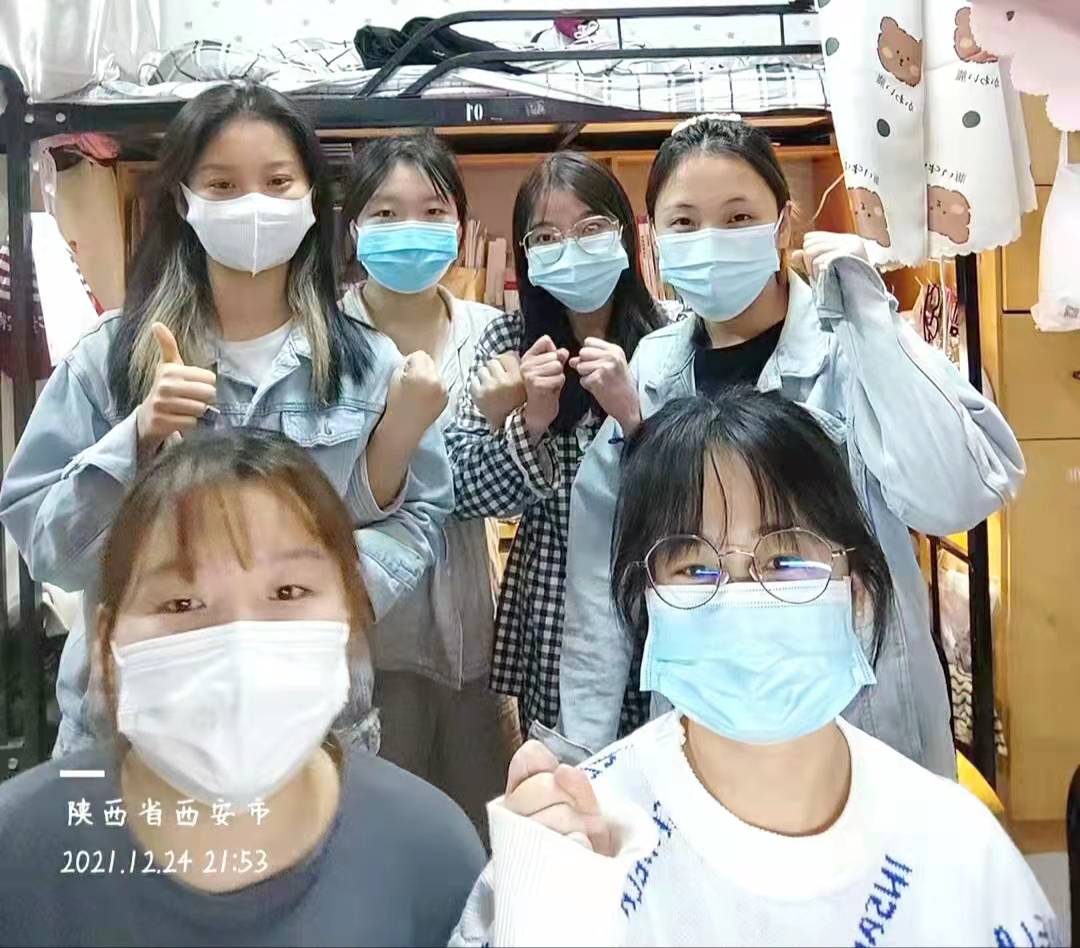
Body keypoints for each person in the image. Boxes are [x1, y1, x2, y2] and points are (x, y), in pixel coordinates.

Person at [452, 393, 1058, 948]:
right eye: (695, 569)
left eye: (785, 560)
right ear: (647, 605)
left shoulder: (960, 852)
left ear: (860, 594)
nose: (741, 596)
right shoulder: (574, 844)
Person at [558, 115, 1025, 776]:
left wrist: (869, 317)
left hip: (861, 721)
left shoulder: (850, 345)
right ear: (655, 239)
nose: (710, 240)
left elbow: (955, 496)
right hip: (707, 717)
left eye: (738, 217)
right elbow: (598, 580)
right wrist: (581, 750)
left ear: (782, 223)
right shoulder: (653, 371)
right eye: (684, 223)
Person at [0, 82, 452, 756]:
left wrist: (301, 596)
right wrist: (137, 438)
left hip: (313, 733)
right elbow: (47, 548)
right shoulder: (109, 358)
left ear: (311, 200)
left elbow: (420, 515)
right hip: (130, 735)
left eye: (277, 182)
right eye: (222, 185)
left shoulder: (368, 367)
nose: (253, 204)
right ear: (184, 200)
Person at [0, 430, 484, 947]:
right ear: (107, 642)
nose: (239, 644)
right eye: (181, 604)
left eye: (288, 592)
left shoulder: (429, 851)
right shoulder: (19, 849)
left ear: (349, 616)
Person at [447, 151, 668, 739]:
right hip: (552, 603)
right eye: (546, 237)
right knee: (565, 764)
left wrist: (635, 420)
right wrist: (530, 422)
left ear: (625, 234)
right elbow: (462, 492)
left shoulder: (670, 338)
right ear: (526, 256)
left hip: (657, 592)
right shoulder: (507, 341)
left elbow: (702, 488)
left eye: (591, 228)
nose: (570, 249)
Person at [338, 131, 519, 838]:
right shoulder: (325, 340)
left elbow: (518, 485)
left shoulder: (494, 333)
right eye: (385, 213)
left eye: (433, 210)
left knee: (482, 839)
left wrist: (508, 426)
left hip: (476, 641)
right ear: (353, 229)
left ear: (460, 225)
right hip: (369, 647)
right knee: (382, 839)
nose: (410, 228)